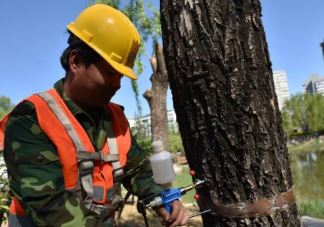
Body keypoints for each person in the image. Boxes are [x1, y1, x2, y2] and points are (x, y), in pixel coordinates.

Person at [1, 4, 188, 227]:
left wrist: (161, 199)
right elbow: (49, 208)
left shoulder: (115, 119)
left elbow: (137, 170)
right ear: (76, 62)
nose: (117, 84)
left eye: (121, 76)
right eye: (110, 73)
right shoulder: (31, 118)